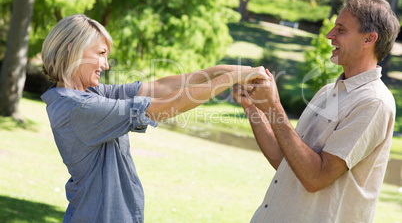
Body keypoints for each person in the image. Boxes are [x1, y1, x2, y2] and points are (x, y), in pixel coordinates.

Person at [40, 14, 267, 223]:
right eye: (100, 54)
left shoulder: (90, 94)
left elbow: (161, 87)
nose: (106, 65)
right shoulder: (78, 107)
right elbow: (168, 105)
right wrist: (232, 78)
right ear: (73, 50)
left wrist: (227, 70)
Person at [232, 0, 400, 222]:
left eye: (341, 29)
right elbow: (287, 162)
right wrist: (253, 108)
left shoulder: (374, 103)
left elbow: (315, 178)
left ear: (369, 39)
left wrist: (274, 105)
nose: (330, 35)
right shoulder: (327, 92)